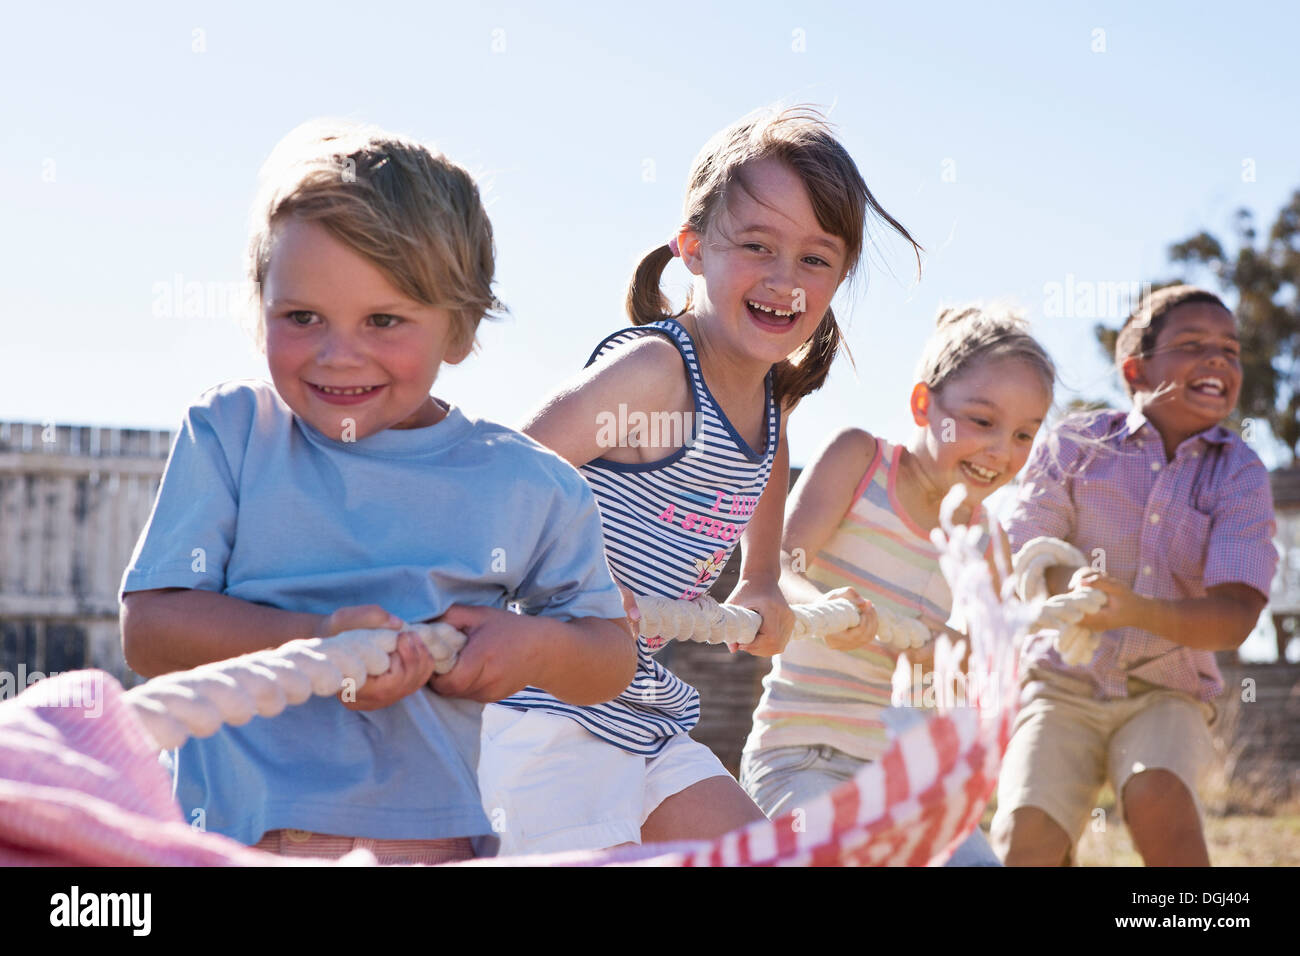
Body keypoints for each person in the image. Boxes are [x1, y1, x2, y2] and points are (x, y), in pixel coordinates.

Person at [119, 120, 635, 864]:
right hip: (235, 837)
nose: (337, 354)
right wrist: (319, 643)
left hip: (428, 844)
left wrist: (534, 648)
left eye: (384, 320)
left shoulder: (526, 482)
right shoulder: (233, 433)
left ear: (459, 329)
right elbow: (152, 631)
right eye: (301, 318)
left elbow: (607, 654)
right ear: (258, 304)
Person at [478, 105, 921, 854]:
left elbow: (767, 466)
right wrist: (564, 577)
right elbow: (506, 480)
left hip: (641, 717)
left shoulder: (771, 407)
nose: (786, 280)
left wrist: (763, 580)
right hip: (539, 706)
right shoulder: (656, 373)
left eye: (816, 259)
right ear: (693, 247)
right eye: (757, 245)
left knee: (760, 854)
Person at [742, 305, 1056, 866]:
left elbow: (983, 671)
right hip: (803, 754)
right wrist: (825, 607)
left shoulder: (987, 540)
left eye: (1025, 435)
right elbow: (780, 567)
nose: (1001, 452)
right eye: (982, 422)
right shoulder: (859, 460)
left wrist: (953, 655)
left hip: (910, 778)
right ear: (921, 405)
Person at [992, 285, 1279, 866]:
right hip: (1060, 686)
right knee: (1027, 835)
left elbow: (1235, 616)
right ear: (1136, 370)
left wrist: (1135, 612)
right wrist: (1068, 592)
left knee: (1159, 797)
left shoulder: (1242, 474)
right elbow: (1023, 551)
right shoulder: (1074, 444)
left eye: (1230, 348)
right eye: (1193, 344)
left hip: (1167, 693)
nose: (1219, 358)